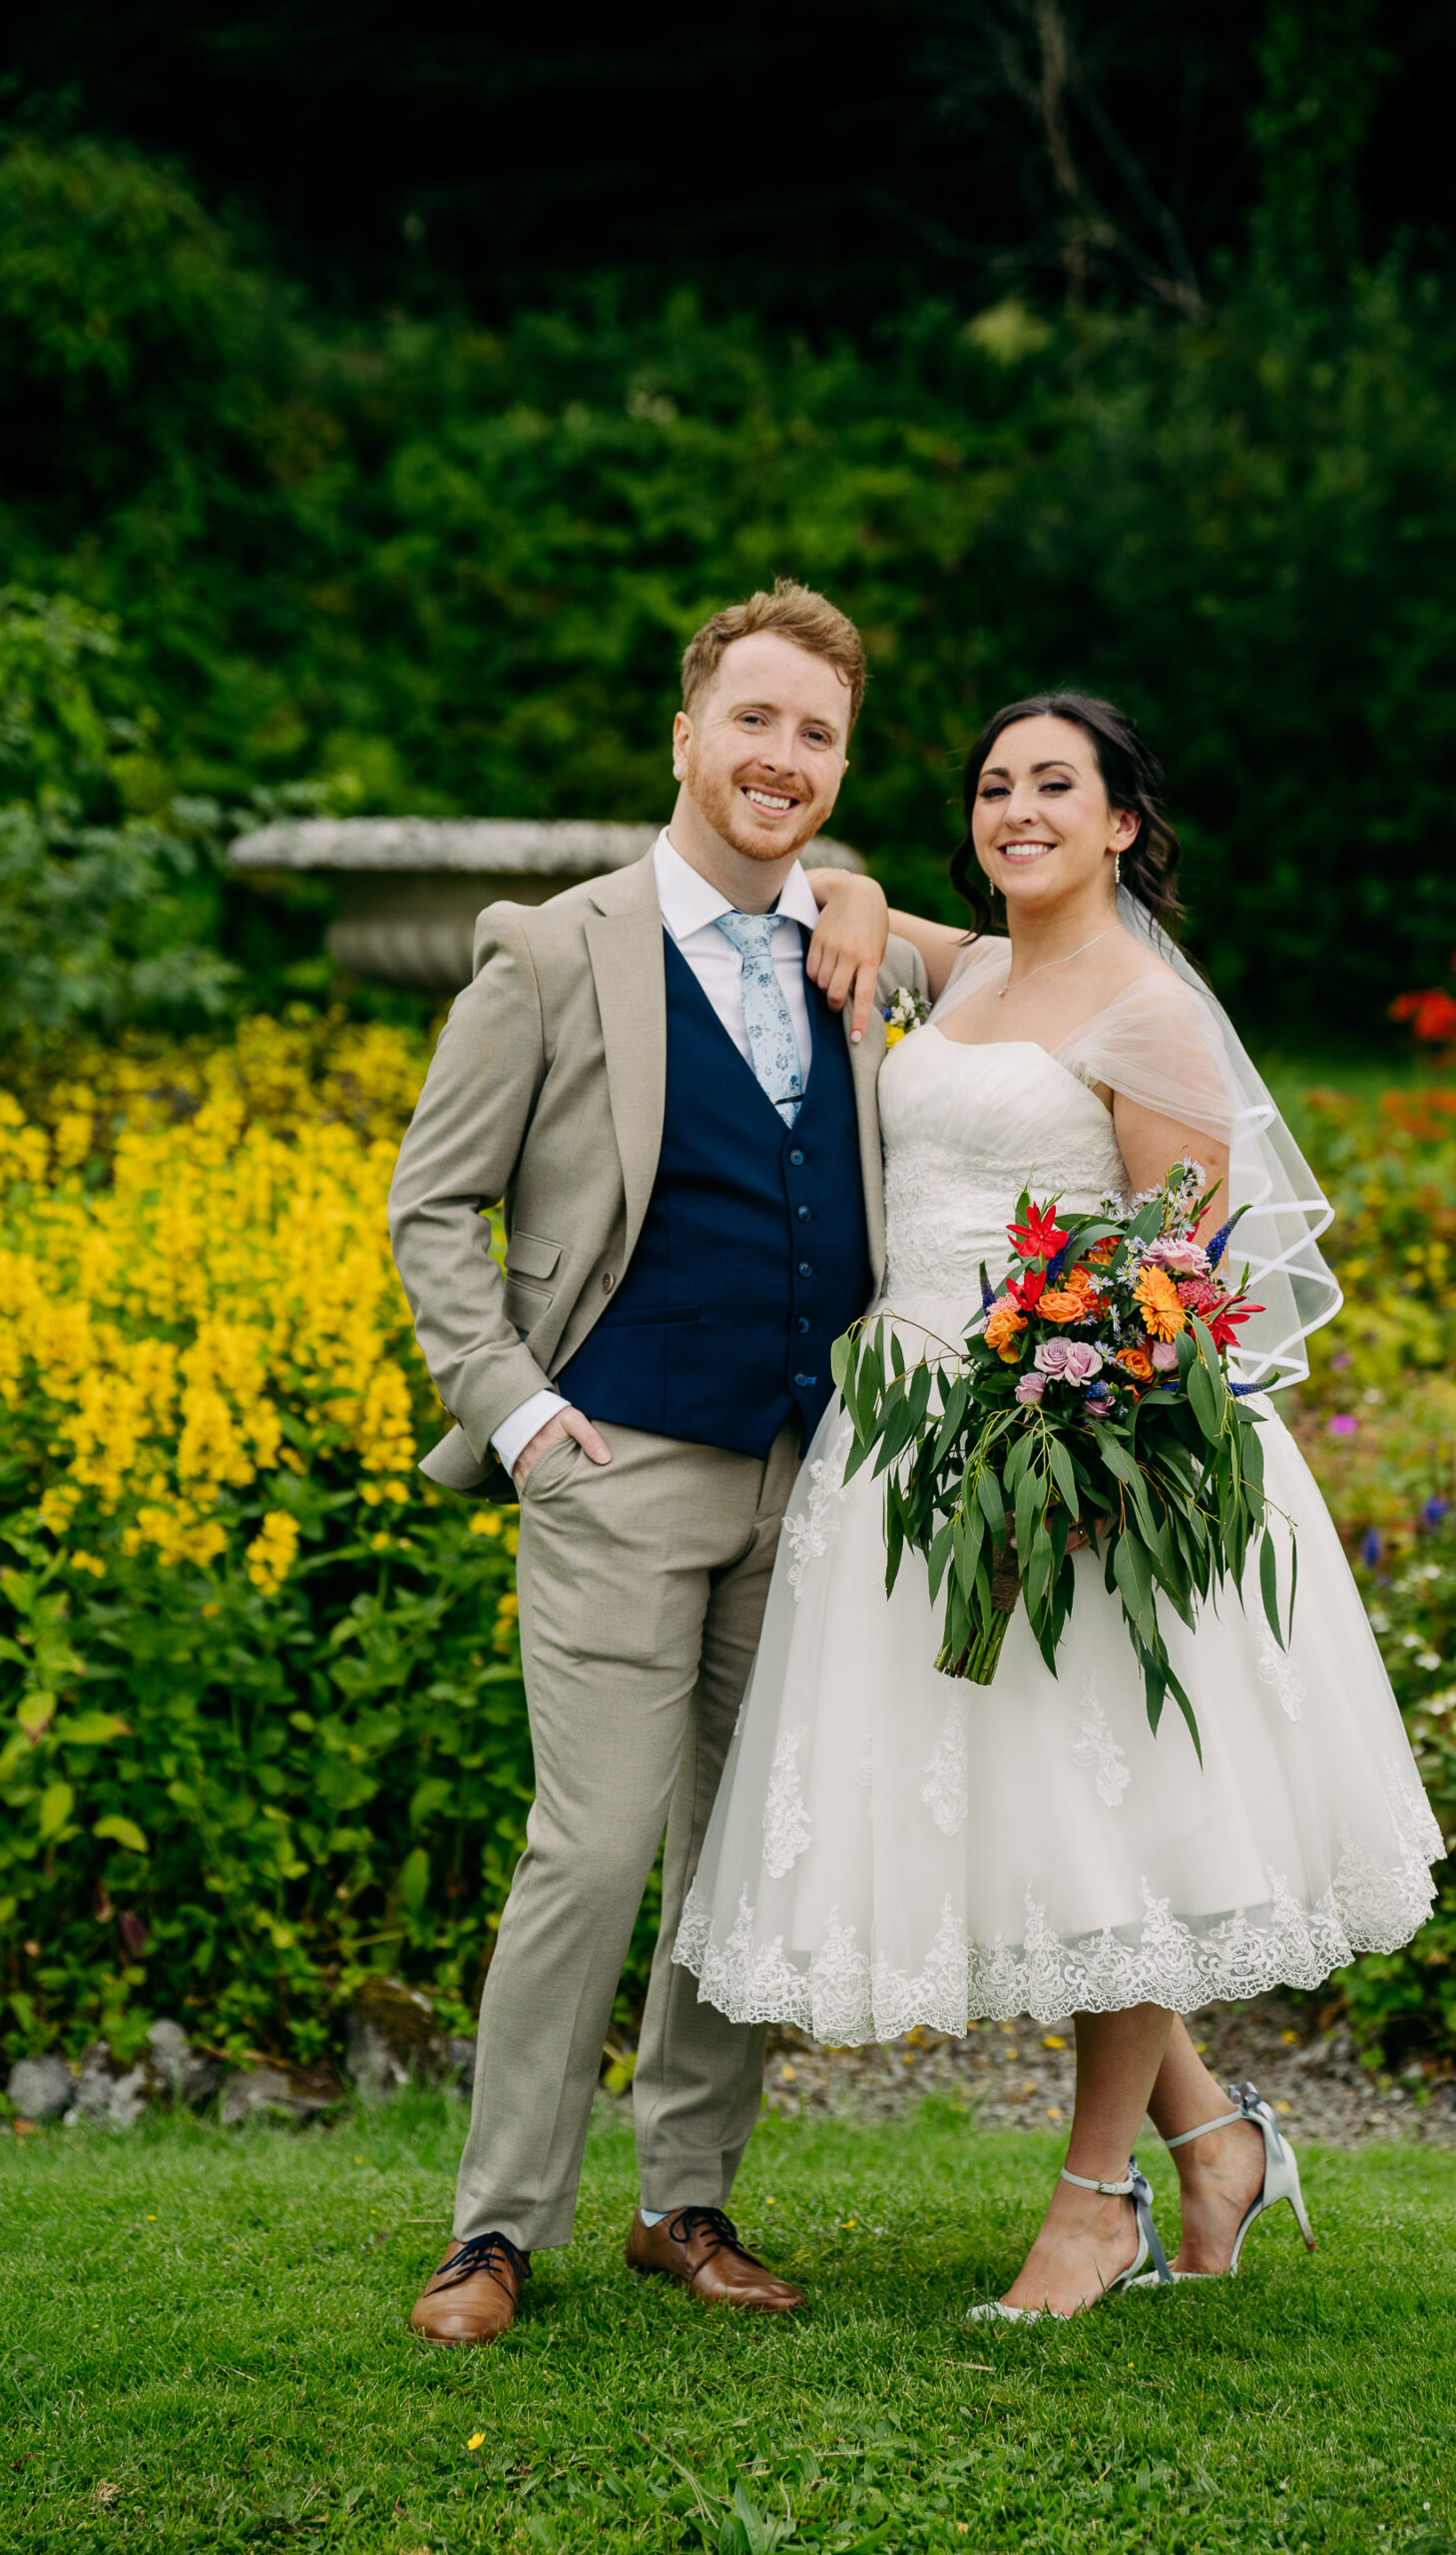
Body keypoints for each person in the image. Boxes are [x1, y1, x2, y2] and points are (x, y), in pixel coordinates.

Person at [676, 691, 1445, 2319]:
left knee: (1105, 1827)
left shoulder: (1150, 1009)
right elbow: (862, 910)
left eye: (1055, 786)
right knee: (1048, 1822)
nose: (1017, 807)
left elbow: (1185, 1270)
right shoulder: (979, 968)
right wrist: (869, 896)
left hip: (1074, 1452)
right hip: (906, 1439)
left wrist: (1092, 1435)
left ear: (1119, 824)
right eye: (994, 784)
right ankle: (1218, 2139)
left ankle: (1098, 2203)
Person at [387, 579, 924, 2344]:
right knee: (595, 1847)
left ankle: (683, 2202)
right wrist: (520, 1408)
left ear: (841, 774)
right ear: (687, 737)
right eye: (754, 722)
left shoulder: (853, 955)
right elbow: (433, 1203)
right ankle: (494, 2230)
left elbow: (1040, 950)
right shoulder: (550, 949)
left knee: (741, 1859)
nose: (781, 759)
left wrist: (857, 900)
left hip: (814, 1473)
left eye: (817, 737)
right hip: (614, 1463)